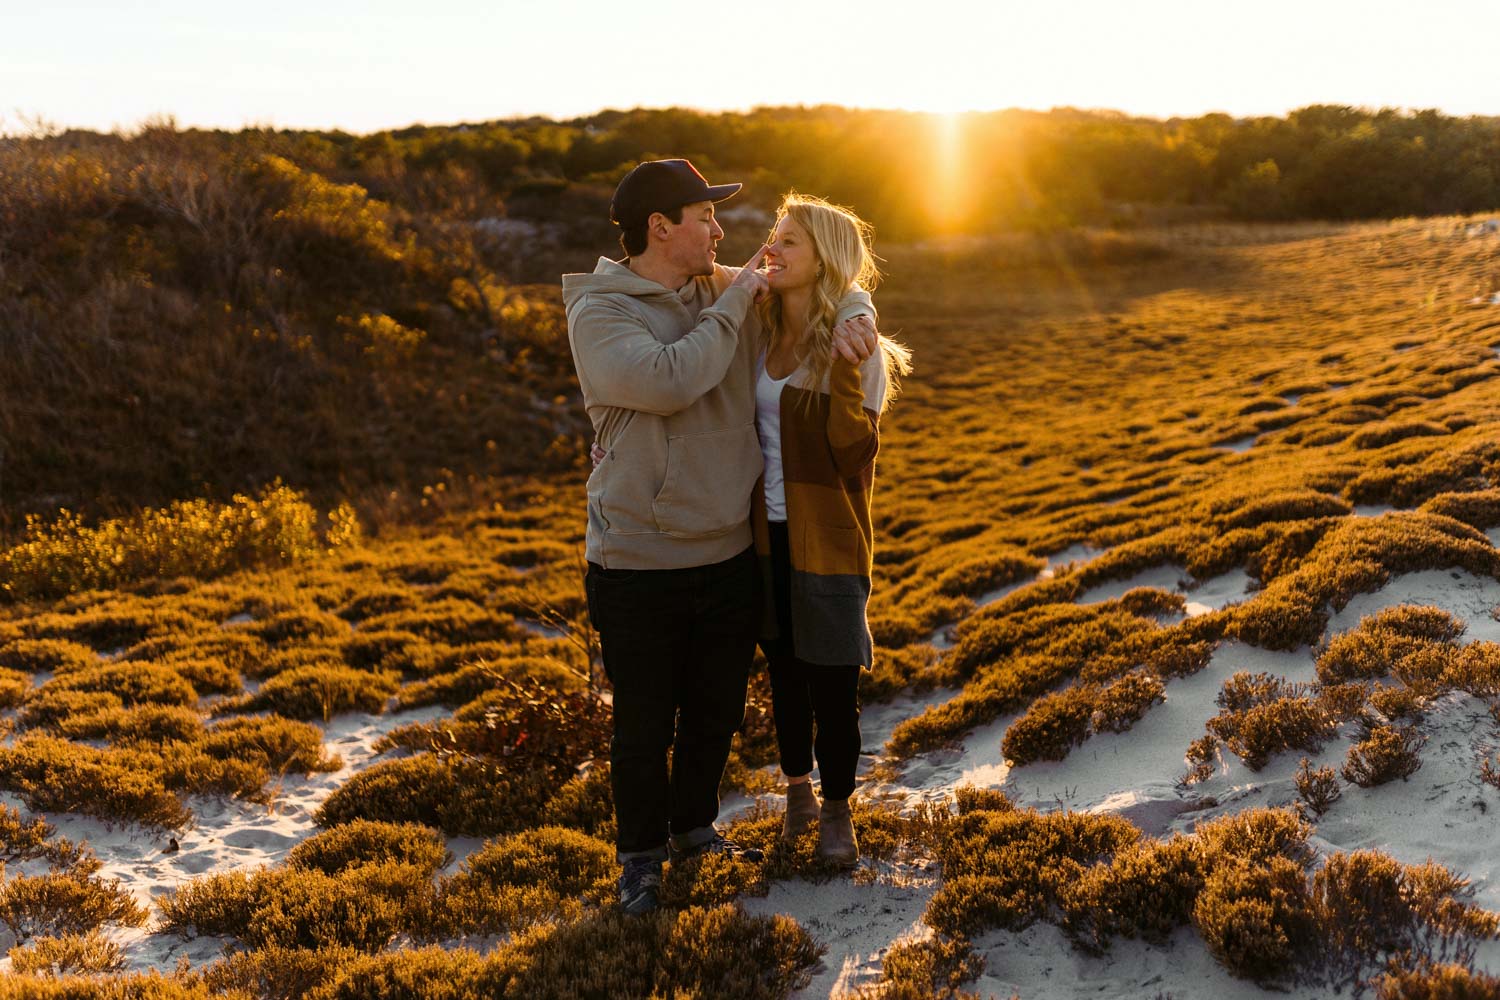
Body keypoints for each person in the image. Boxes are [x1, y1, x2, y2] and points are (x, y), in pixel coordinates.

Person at [562, 159, 770, 917]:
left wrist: (855, 314)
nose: (719, 231)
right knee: (644, 723)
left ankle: (695, 831)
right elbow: (670, 380)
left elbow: (823, 281)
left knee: (716, 711)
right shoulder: (601, 311)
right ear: (660, 227)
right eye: (704, 217)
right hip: (637, 562)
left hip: (728, 550)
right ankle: (639, 861)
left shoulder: (722, 287)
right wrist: (738, 299)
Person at [751, 193, 910, 868]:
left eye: (789, 242)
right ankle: (797, 795)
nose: (772, 250)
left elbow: (854, 454)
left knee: (833, 686)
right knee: (782, 677)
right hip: (761, 538)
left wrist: (847, 358)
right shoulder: (757, 328)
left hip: (830, 537)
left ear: (824, 261)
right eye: (773, 237)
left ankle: (839, 810)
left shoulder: (855, 346)